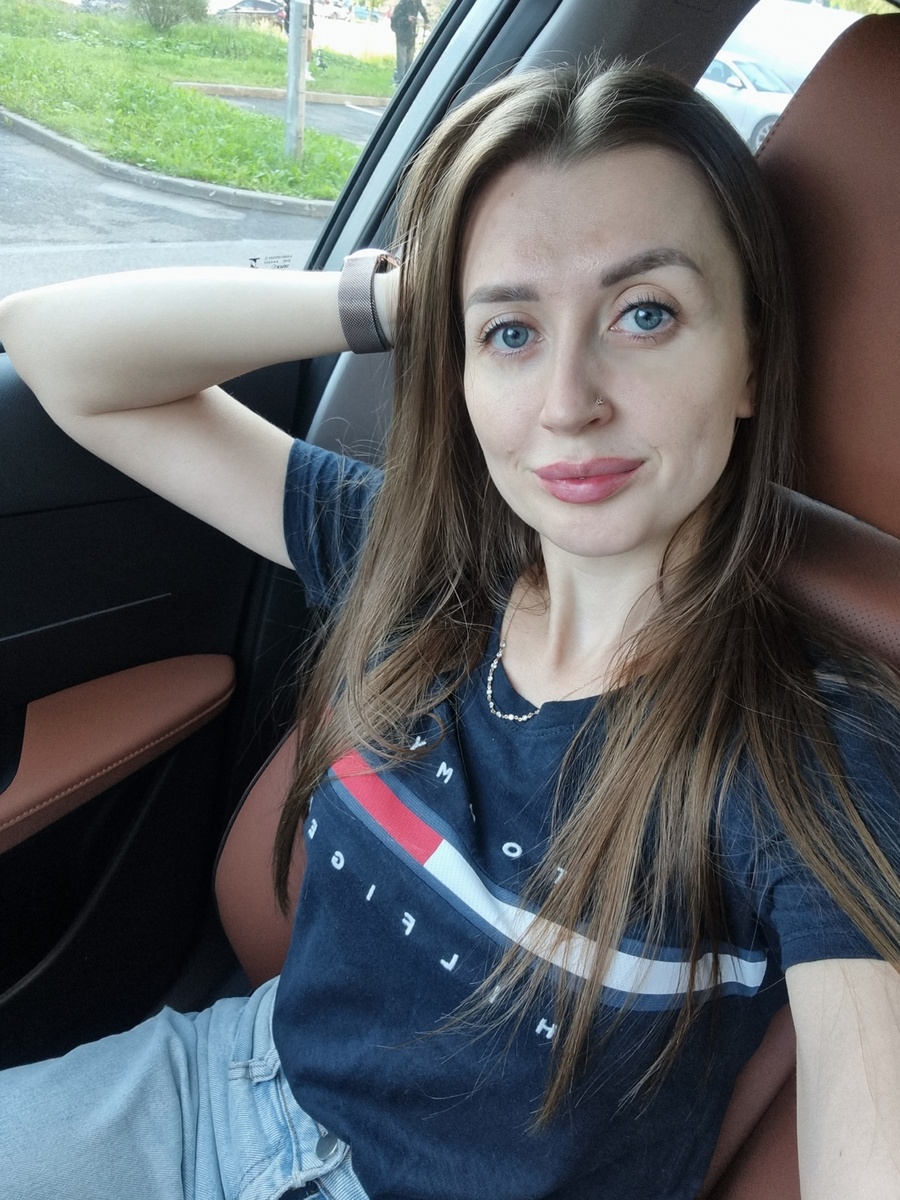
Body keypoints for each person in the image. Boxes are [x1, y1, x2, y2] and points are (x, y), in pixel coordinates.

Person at [0, 60, 899, 1200]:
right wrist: (398, 300)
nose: (567, 402)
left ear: (750, 362)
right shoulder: (409, 563)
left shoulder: (812, 749)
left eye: (646, 314)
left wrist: (502, 308)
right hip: (228, 1091)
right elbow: (57, 352)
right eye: (512, 334)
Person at [391, 0, 428, 82]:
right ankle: (400, 81)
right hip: (402, 35)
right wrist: (407, 19)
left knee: (410, 61)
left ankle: (407, 80)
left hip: (411, 36)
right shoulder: (403, 3)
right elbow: (395, 18)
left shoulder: (417, 2)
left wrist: (426, 21)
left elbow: (422, 10)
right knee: (402, 61)